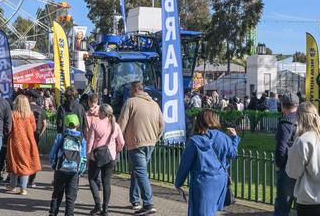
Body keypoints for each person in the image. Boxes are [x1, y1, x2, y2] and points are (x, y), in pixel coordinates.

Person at [175, 110, 240, 216]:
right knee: (211, 210)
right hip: (220, 180)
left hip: (203, 181)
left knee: (200, 212)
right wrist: (234, 138)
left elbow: (185, 165)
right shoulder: (224, 137)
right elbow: (232, 153)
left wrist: (178, 183)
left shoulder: (195, 141)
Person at [117, 81, 164, 215]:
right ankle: (135, 200)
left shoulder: (130, 102)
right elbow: (162, 124)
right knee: (138, 171)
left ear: (135, 89)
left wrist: (118, 141)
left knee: (140, 172)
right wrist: (156, 138)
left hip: (136, 143)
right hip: (150, 143)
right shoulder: (154, 104)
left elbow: (121, 124)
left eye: (131, 89)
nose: (130, 92)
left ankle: (148, 204)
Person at [87, 104, 125, 215]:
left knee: (92, 179)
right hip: (110, 156)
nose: (98, 113)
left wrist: (89, 155)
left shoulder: (95, 124)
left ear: (104, 112)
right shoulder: (116, 125)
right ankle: (106, 208)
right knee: (106, 182)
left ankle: (97, 205)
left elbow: (90, 142)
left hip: (97, 156)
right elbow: (121, 143)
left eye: (99, 111)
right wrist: (116, 151)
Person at [48, 113, 87, 216]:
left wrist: (53, 164)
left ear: (66, 124)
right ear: (78, 125)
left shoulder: (60, 136)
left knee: (57, 194)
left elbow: (53, 152)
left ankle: (52, 213)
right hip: (74, 172)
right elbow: (83, 158)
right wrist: (80, 171)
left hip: (60, 169)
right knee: (70, 197)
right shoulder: (82, 139)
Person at [6, 95, 41, 195]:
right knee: (25, 163)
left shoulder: (13, 114)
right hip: (28, 142)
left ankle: (12, 185)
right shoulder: (30, 115)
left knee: (14, 162)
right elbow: (34, 128)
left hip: (15, 142)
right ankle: (23, 188)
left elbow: (9, 129)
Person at [274, 93, 299, 216]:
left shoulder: (285, 124)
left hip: (287, 168)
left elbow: (281, 148)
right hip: (303, 167)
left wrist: (279, 165)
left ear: (283, 106)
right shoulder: (304, 121)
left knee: (283, 205)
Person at [27, 90, 48, 188]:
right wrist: (40, 134)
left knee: (25, 156)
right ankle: (31, 179)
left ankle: (22, 177)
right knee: (34, 157)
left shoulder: (26, 109)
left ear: (30, 98)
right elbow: (45, 124)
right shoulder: (41, 110)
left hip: (26, 136)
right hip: (36, 136)